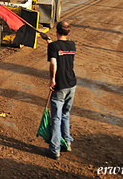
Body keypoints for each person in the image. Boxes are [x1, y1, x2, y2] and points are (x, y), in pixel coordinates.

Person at [41, 21, 76, 160]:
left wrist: (52, 80)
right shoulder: (72, 45)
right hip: (72, 85)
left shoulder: (54, 46)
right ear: (69, 33)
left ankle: (54, 149)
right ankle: (67, 143)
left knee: (56, 118)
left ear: (56, 31)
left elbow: (54, 62)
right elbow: (59, 49)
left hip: (60, 86)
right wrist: (48, 40)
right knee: (66, 114)